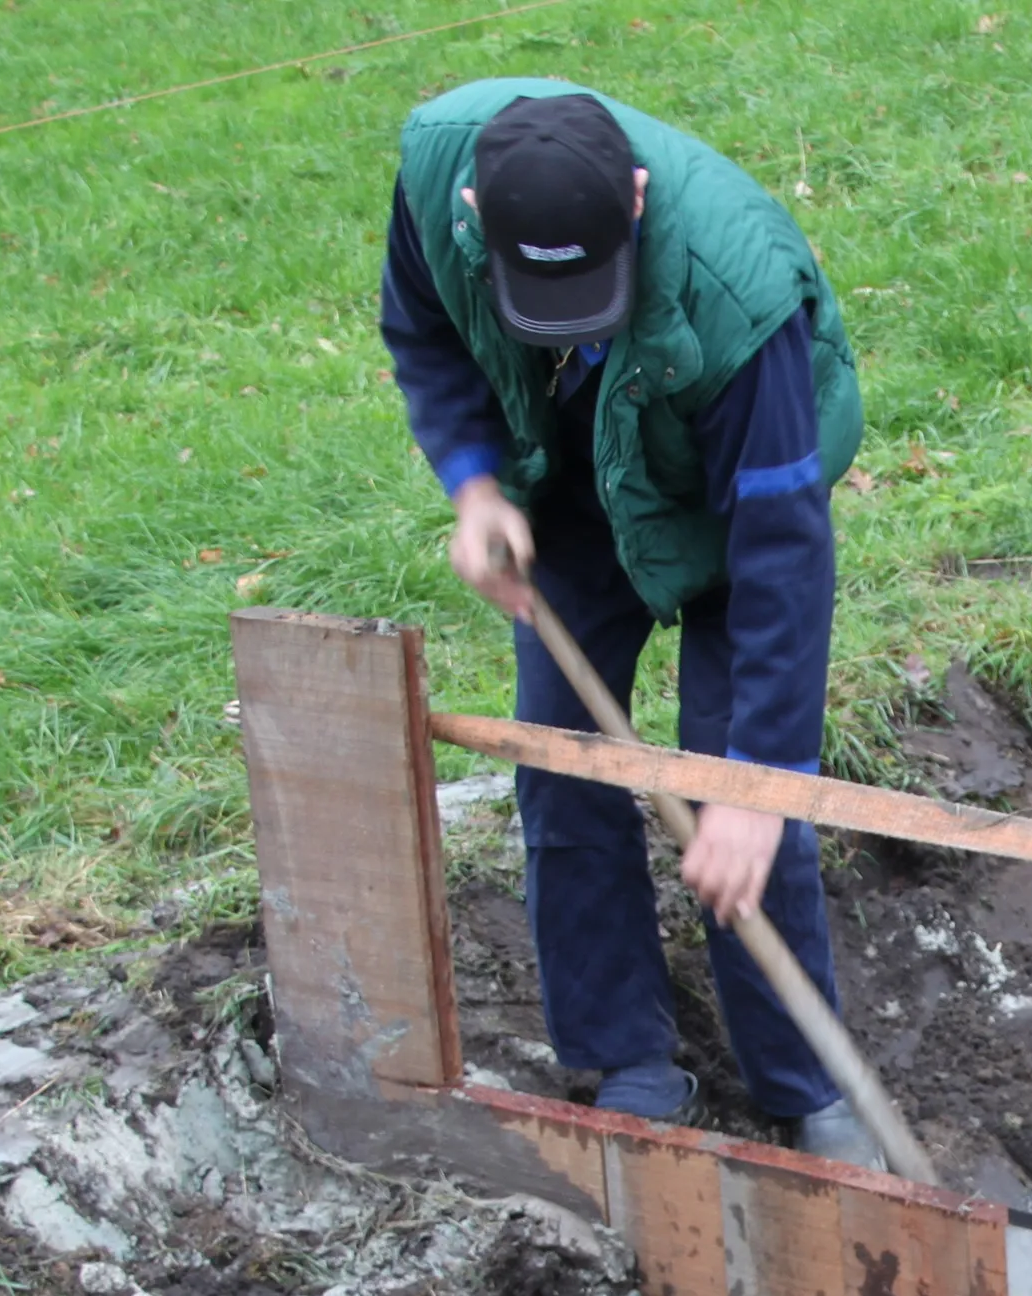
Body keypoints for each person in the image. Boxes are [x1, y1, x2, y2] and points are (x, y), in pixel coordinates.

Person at [375, 78, 877, 1164]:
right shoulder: (436, 182)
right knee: (561, 759)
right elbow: (424, 335)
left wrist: (757, 790)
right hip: (570, 471)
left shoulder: (738, 295)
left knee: (737, 791)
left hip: (724, 489)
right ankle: (628, 1064)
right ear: (478, 221)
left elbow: (783, 559)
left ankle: (804, 1090)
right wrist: (473, 486)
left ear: (638, 201)